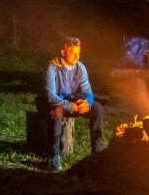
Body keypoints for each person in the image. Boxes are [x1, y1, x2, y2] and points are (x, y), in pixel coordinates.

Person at [38, 36, 104, 171]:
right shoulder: (53, 67)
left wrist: (87, 102)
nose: (75, 56)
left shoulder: (80, 68)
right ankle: (54, 156)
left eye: (78, 53)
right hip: (52, 103)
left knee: (97, 108)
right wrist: (70, 105)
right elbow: (50, 96)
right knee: (57, 111)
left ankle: (97, 153)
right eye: (71, 52)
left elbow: (87, 90)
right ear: (63, 52)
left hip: (72, 102)